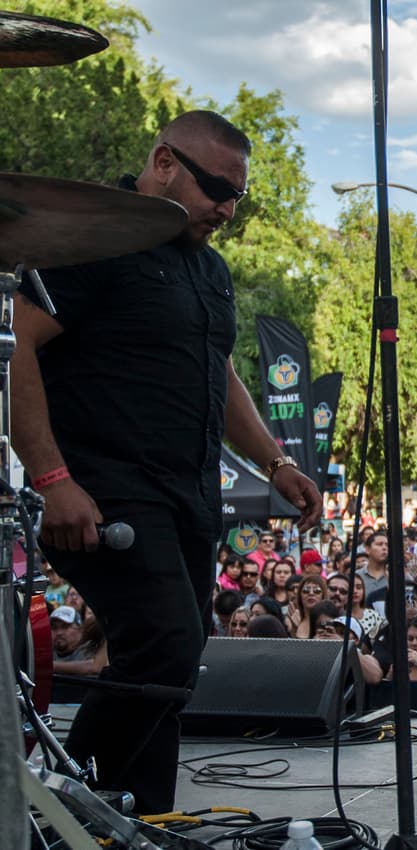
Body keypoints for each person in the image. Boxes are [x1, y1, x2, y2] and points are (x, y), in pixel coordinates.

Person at [11, 111, 323, 814]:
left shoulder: (210, 269)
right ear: (162, 162)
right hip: (107, 486)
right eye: (215, 186)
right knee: (166, 644)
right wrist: (52, 478)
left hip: (188, 493)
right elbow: (16, 346)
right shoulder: (92, 246)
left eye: (238, 195)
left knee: (169, 669)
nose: (227, 207)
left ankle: (141, 818)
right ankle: (71, 805)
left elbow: (220, 372)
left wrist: (275, 463)